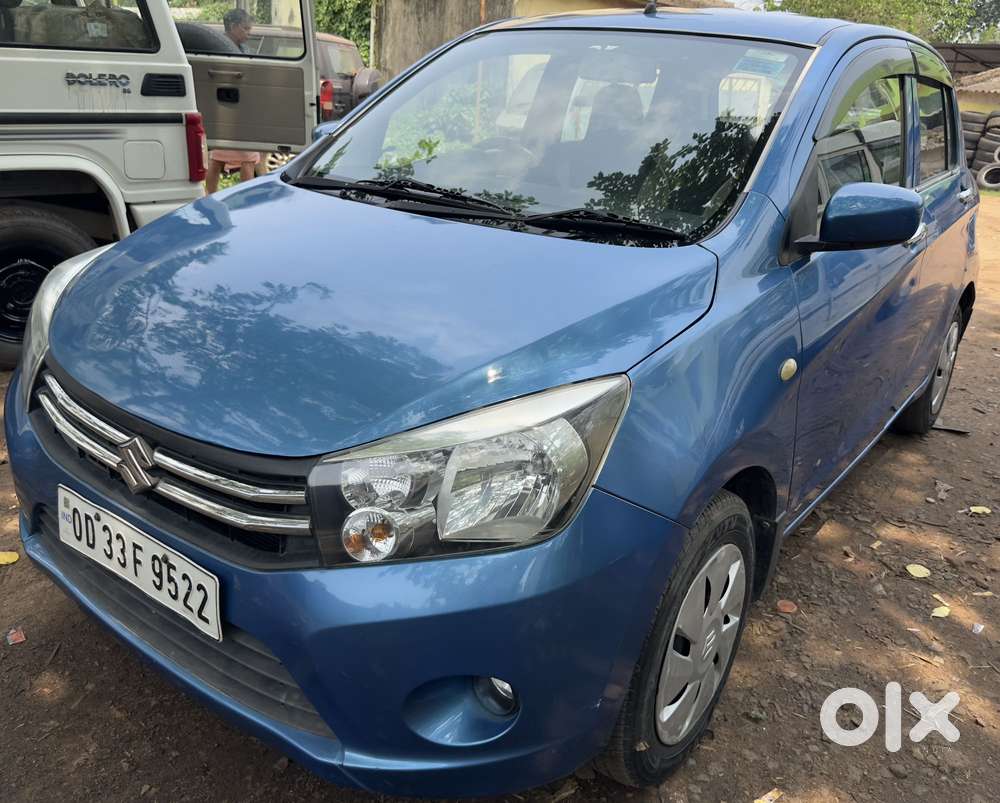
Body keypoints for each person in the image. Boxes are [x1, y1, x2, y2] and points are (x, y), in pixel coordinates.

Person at [205, 8, 260, 193]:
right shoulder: (219, 46)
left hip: (232, 108)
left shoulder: (241, 48)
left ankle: (210, 196)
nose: (249, 33)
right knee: (247, 156)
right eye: (245, 28)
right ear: (234, 26)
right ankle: (244, 197)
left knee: (220, 156)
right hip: (229, 106)